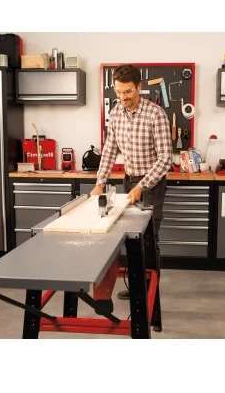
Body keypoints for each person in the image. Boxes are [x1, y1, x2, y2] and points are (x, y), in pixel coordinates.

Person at [90, 64, 173, 300]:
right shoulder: (116, 113)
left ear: (138, 87)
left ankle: (150, 294)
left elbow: (165, 159)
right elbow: (109, 150)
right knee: (130, 238)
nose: (123, 97)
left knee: (148, 240)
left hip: (152, 186)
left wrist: (142, 186)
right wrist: (100, 182)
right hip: (129, 183)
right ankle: (137, 286)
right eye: (118, 92)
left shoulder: (156, 114)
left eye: (127, 92)